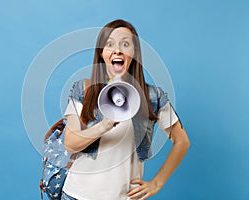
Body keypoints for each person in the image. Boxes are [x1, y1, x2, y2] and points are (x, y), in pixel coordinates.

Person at [62, 19, 190, 200]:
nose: (117, 49)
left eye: (125, 44)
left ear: (134, 53)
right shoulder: (84, 90)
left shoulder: (153, 96)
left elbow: (182, 141)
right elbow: (70, 143)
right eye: (109, 44)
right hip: (77, 195)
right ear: (102, 53)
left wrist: (157, 183)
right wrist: (105, 124)